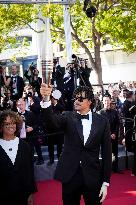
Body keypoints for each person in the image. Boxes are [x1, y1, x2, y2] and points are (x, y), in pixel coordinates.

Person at [40, 84, 112, 205]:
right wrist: (46, 99)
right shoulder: (67, 116)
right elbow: (50, 122)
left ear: (90, 101)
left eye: (80, 98)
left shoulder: (102, 121)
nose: (76, 101)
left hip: (92, 176)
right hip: (70, 175)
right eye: (75, 98)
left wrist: (105, 182)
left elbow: (107, 152)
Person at [0, 110, 37, 205]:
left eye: (13, 123)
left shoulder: (25, 146)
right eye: (6, 124)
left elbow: (30, 171)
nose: (10, 126)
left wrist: (31, 193)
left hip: (23, 194)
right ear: (1, 126)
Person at [99, 95, 120, 173]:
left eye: (108, 100)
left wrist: (114, 133)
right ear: (103, 102)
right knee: (106, 153)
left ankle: (115, 168)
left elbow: (118, 123)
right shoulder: (100, 112)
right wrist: (109, 133)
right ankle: (106, 169)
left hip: (114, 136)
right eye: (105, 101)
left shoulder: (114, 111)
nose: (106, 102)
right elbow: (101, 126)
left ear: (110, 101)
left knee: (115, 152)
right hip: (105, 137)